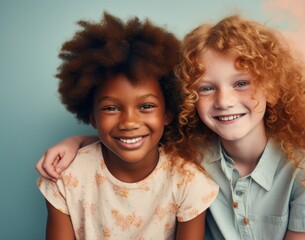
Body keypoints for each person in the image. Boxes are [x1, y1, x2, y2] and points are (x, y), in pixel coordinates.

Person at [36, 14, 305, 239]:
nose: (225, 100)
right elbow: (133, 136)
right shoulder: (191, 154)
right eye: (206, 88)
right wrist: (77, 140)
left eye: (241, 83)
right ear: (186, 97)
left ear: (272, 87)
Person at [36, 12, 218, 240]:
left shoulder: (187, 182)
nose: (129, 122)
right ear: (91, 116)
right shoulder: (66, 177)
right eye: (111, 108)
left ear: (168, 113)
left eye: (146, 106)